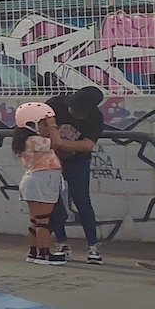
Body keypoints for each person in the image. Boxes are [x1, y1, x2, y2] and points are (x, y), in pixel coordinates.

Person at [46, 85, 105, 264]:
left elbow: (87, 145)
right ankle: (62, 242)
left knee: (82, 200)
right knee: (53, 199)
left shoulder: (95, 117)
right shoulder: (55, 104)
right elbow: (41, 131)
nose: (73, 112)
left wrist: (60, 144)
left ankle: (92, 246)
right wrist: (57, 146)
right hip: (51, 159)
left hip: (78, 161)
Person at [12, 103, 66, 265]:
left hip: (35, 180)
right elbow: (57, 143)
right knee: (43, 220)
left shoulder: (26, 139)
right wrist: (53, 125)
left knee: (36, 220)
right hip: (43, 179)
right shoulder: (33, 140)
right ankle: (44, 254)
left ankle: (34, 251)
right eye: (42, 123)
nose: (47, 127)